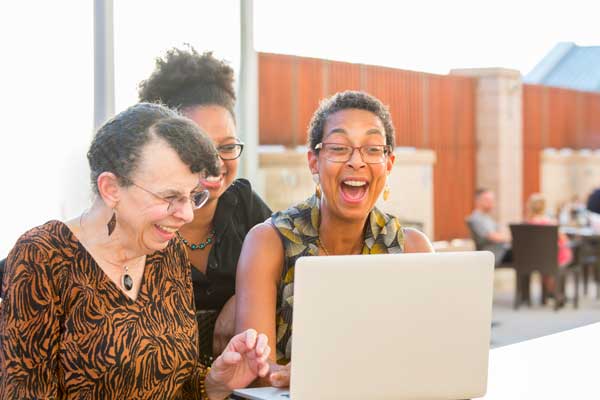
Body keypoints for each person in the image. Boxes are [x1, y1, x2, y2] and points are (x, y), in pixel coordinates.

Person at [0, 103, 270, 399]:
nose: (187, 215)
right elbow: (24, 392)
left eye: (193, 196)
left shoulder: (168, 253)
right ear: (111, 188)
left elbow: (178, 384)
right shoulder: (42, 256)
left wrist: (216, 382)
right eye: (170, 197)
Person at [234, 91, 433, 387]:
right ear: (314, 161)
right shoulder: (268, 242)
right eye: (339, 148)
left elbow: (429, 361)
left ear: (389, 163)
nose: (356, 161)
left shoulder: (413, 249)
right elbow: (255, 372)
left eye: (372, 149)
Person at [138, 46, 272, 362]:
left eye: (227, 147)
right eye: (198, 147)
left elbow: (297, 269)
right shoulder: (136, 218)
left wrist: (244, 297)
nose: (215, 164)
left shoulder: (244, 206)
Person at [466, 189, 512, 267]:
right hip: (493, 253)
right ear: (478, 201)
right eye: (488, 200)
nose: (492, 203)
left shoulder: (487, 217)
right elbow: (493, 236)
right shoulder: (476, 218)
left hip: (502, 251)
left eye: (492, 200)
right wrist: (512, 238)